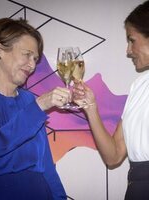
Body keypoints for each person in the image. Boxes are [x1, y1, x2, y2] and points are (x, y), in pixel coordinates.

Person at [0, 18, 69, 200]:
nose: (32, 65)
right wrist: (40, 105)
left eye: (35, 59)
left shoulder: (29, 101)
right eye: (27, 55)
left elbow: (46, 165)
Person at [73, 1, 149, 200]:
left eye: (132, 40)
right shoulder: (138, 87)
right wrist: (91, 109)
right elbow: (113, 156)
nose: (128, 51)